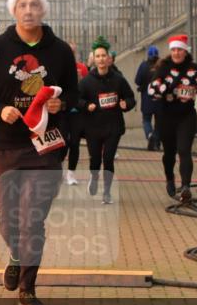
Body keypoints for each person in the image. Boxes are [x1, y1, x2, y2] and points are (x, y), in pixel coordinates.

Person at [0, 0, 79, 305]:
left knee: (33, 218)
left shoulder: (60, 51)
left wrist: (63, 104)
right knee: (9, 222)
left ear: (43, 9)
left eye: (34, 5)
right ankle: (16, 256)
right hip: (6, 145)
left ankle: (28, 286)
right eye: (22, 5)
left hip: (45, 147)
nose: (29, 10)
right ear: (13, 10)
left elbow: (74, 92)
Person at [148, 34, 197, 203]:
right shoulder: (163, 68)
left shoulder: (196, 70)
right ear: (170, 51)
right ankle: (170, 178)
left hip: (186, 116)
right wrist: (167, 88)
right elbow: (152, 91)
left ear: (185, 51)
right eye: (174, 50)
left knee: (184, 150)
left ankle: (185, 187)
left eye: (180, 50)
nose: (176, 53)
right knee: (169, 153)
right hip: (165, 116)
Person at [78, 37, 135, 204]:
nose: (101, 59)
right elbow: (76, 99)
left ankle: (107, 192)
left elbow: (130, 97)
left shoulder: (118, 79)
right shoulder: (87, 81)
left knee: (108, 159)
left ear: (108, 58)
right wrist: (86, 105)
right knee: (95, 159)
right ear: (94, 59)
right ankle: (94, 177)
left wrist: (126, 104)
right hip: (93, 127)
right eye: (98, 56)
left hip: (113, 126)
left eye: (104, 56)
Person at [64, 42, 89, 186]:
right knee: (61, 144)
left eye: (73, 51)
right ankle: (58, 172)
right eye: (69, 51)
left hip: (77, 114)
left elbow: (86, 90)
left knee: (75, 143)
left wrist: (80, 80)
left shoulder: (82, 68)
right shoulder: (60, 66)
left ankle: (71, 174)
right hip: (62, 112)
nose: (71, 53)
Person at [134, 45, 161, 151]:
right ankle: (157, 143)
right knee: (159, 122)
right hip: (159, 99)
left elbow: (137, 81)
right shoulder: (162, 66)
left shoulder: (143, 65)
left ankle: (150, 135)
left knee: (146, 120)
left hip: (147, 98)